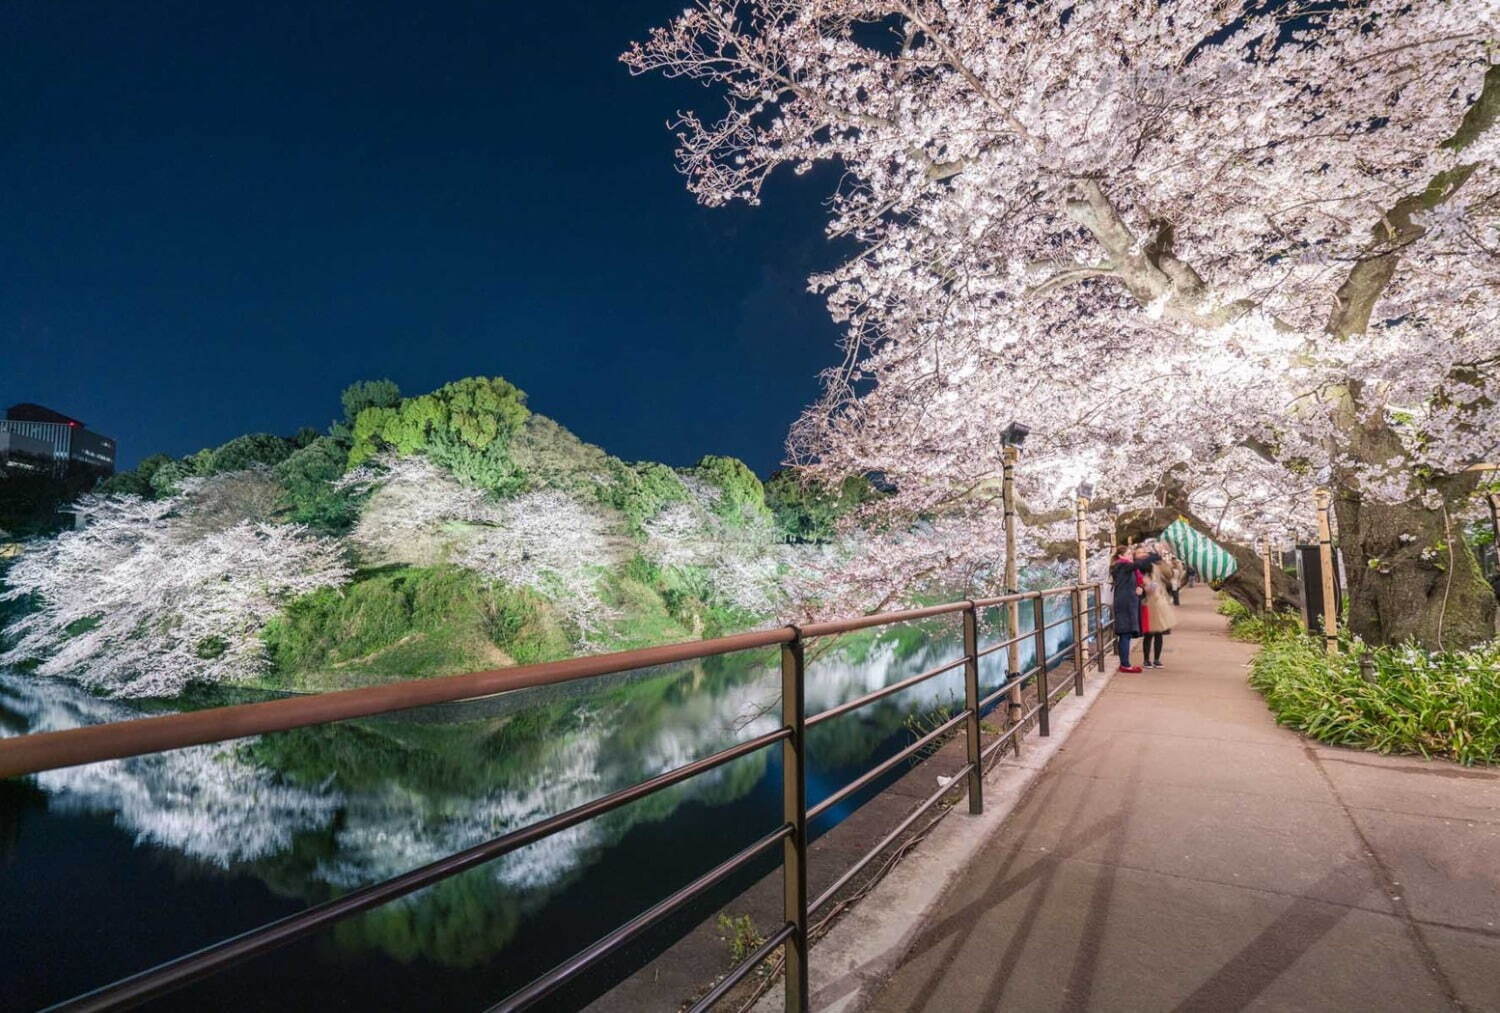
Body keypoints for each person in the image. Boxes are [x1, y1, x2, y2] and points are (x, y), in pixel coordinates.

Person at [1110, 542, 1161, 673]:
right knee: (1125, 633)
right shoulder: (1122, 565)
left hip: (1126, 602)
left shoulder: (1122, 566)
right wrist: (1155, 553)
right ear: (1121, 556)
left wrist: (1138, 588)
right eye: (1128, 554)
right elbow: (1140, 564)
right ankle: (1125, 665)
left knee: (1125, 633)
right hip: (1125, 604)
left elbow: (1130, 580)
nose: (1131, 556)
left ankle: (1125, 663)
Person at [1139, 544, 1178, 668]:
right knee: (1149, 633)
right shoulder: (1139, 570)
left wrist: (1162, 561)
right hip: (1147, 602)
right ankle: (1146, 659)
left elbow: (1169, 574)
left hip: (1160, 602)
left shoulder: (1156, 567)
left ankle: (1156, 659)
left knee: (1159, 632)